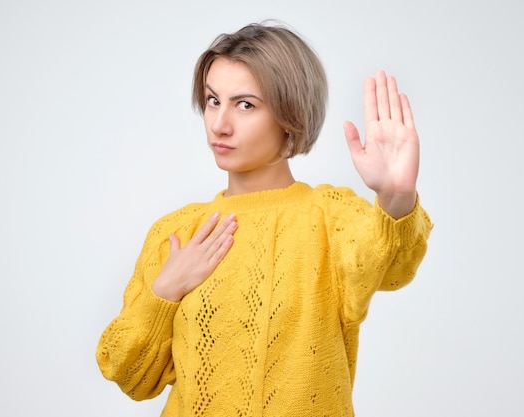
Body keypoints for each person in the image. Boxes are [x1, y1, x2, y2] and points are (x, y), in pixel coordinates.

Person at [96, 21, 432, 416]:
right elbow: (130, 375)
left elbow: (392, 265)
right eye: (212, 100)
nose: (219, 124)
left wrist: (396, 199)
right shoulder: (177, 232)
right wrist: (165, 290)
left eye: (245, 105)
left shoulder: (329, 216)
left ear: (290, 115)